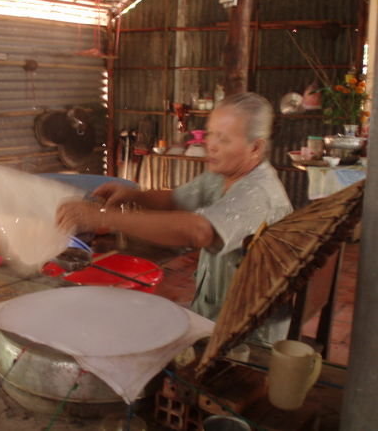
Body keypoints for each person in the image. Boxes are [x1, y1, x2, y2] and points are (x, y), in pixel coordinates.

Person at [56, 92, 293, 343]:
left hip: (247, 336)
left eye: (223, 139)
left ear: (255, 147)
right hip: (213, 315)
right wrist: (131, 196)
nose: (210, 144)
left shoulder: (260, 192)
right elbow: (176, 198)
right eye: (210, 134)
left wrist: (104, 217)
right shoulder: (221, 176)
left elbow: (199, 231)